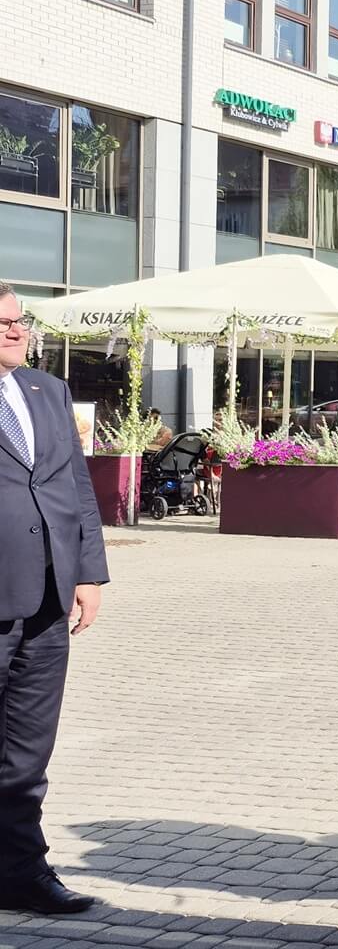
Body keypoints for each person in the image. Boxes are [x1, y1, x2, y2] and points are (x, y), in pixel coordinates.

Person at [0, 282, 105, 915]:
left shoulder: (46, 390)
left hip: (45, 599)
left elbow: (74, 486)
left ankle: (19, 872)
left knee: (25, 752)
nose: (15, 331)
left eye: (19, 320)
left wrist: (87, 572)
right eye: (1, 323)